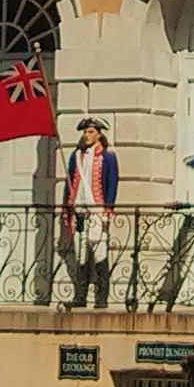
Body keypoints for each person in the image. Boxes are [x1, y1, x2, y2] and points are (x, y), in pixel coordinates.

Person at [60, 120, 119, 308]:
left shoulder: (108, 157)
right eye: (85, 132)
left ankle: (102, 298)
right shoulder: (75, 156)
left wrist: (108, 208)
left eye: (91, 131)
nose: (87, 135)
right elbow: (69, 183)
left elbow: (112, 183)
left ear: (99, 134)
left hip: (97, 211)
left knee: (99, 251)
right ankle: (81, 296)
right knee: (80, 253)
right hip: (79, 211)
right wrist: (66, 206)